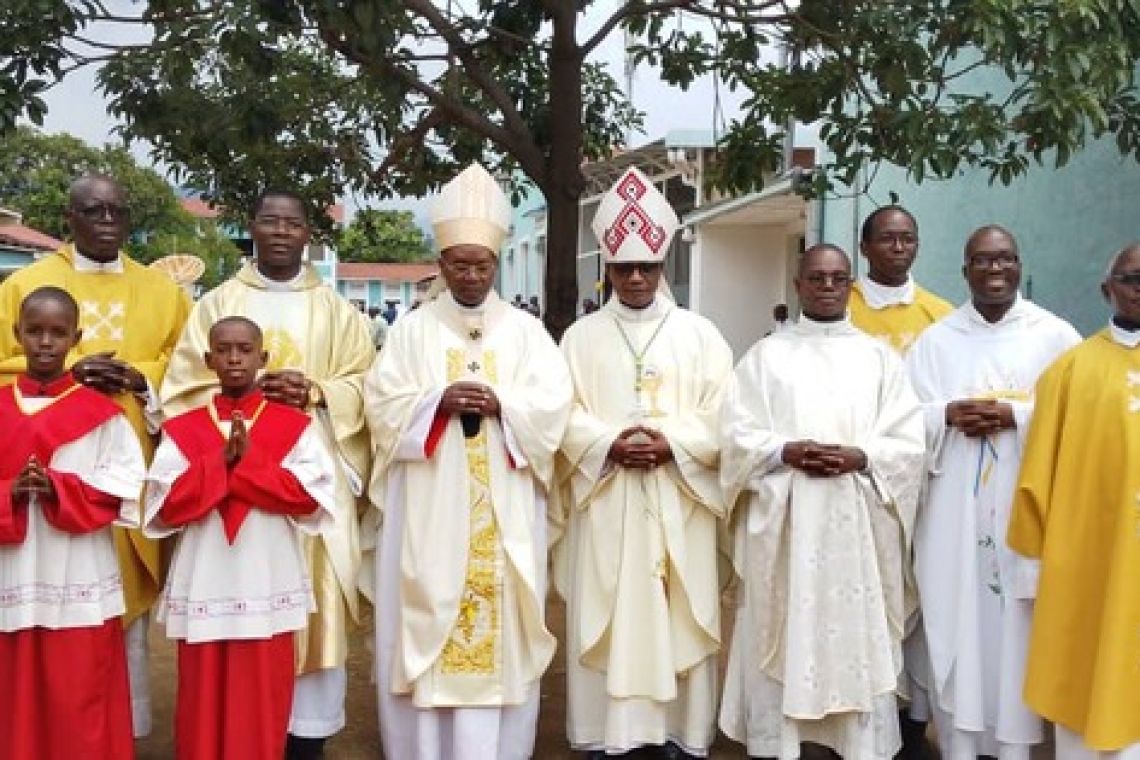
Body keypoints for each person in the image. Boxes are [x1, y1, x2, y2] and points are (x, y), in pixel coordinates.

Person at [363, 163, 572, 760]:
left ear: (496, 264)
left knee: (501, 623)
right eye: (459, 263)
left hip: (503, 508)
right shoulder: (412, 331)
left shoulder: (528, 333)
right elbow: (382, 406)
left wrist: (505, 404)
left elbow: (553, 407)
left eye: (482, 264)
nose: (471, 275)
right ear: (443, 261)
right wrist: (436, 403)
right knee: (428, 607)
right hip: (431, 508)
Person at [160, 190, 374, 759]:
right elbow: (182, 391)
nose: (281, 232)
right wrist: (241, 402)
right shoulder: (217, 305)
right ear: (250, 226)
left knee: (314, 620)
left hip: (304, 486)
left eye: (293, 223)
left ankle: (305, 741)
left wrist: (317, 391)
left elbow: (366, 387)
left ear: (309, 234)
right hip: (233, 499)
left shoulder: (337, 311)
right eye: (269, 221)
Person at [0, 174, 191, 736]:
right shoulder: (26, 284)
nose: (107, 222)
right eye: (93, 211)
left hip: (120, 464)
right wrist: (69, 372)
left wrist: (141, 376)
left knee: (109, 602)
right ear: (70, 218)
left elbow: (186, 370)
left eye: (117, 212)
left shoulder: (163, 292)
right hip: (36, 466)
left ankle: (114, 728)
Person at [719, 243, 926, 759]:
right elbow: (734, 437)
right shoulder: (767, 356)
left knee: (852, 631)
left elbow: (908, 443)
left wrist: (862, 456)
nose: (828, 286)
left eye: (838, 277)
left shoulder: (879, 358)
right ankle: (785, 741)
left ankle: (856, 742)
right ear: (799, 284)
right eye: (817, 277)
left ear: (850, 284)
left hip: (855, 525)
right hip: (788, 522)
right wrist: (783, 449)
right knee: (788, 626)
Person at [554, 166, 732, 759]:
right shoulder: (579, 338)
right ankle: (608, 736)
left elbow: (721, 414)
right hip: (607, 503)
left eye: (647, 267)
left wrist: (669, 445)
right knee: (614, 611)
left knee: (675, 610)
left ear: (662, 267)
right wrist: (606, 442)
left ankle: (679, 734)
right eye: (623, 267)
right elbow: (561, 413)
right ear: (606, 268)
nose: (635, 278)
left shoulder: (701, 335)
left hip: (679, 499)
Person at [905, 225, 1080, 760]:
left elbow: (1077, 419)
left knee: (1017, 623)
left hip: (1023, 509)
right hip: (953, 508)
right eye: (982, 261)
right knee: (954, 608)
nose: (995, 270)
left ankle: (1017, 743)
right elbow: (903, 421)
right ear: (965, 271)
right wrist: (946, 415)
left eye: (1005, 259)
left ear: (1019, 265)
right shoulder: (936, 341)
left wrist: (1015, 416)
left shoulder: (1057, 339)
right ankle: (959, 742)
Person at [145, 316, 335, 760]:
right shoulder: (184, 429)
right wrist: (218, 464)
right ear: (208, 359)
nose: (234, 358)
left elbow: (309, 500)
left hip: (266, 578)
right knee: (201, 699)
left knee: (262, 699)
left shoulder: (294, 426)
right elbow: (163, 507)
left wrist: (245, 466)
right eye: (224, 349)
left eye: (245, 349)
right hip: (205, 578)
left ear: (262, 359)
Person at [0, 286, 145, 759]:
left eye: (57, 333)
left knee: (78, 687)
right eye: (35, 331)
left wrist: (59, 489)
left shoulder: (104, 417)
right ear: (16, 333)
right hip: (12, 570)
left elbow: (126, 483)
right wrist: (10, 493)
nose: (45, 342)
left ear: (76, 338)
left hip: (76, 571)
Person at [1007, 243, 1140, 759]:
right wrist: (1037, 568)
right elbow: (1037, 478)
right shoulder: (1070, 372)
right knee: (1092, 678)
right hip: (1094, 567)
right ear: (1107, 288)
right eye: (1133, 278)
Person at [849, 206, 953, 354]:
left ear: (917, 246)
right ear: (864, 248)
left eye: (908, 239)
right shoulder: (841, 309)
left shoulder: (942, 314)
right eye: (886, 239)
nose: (898, 248)